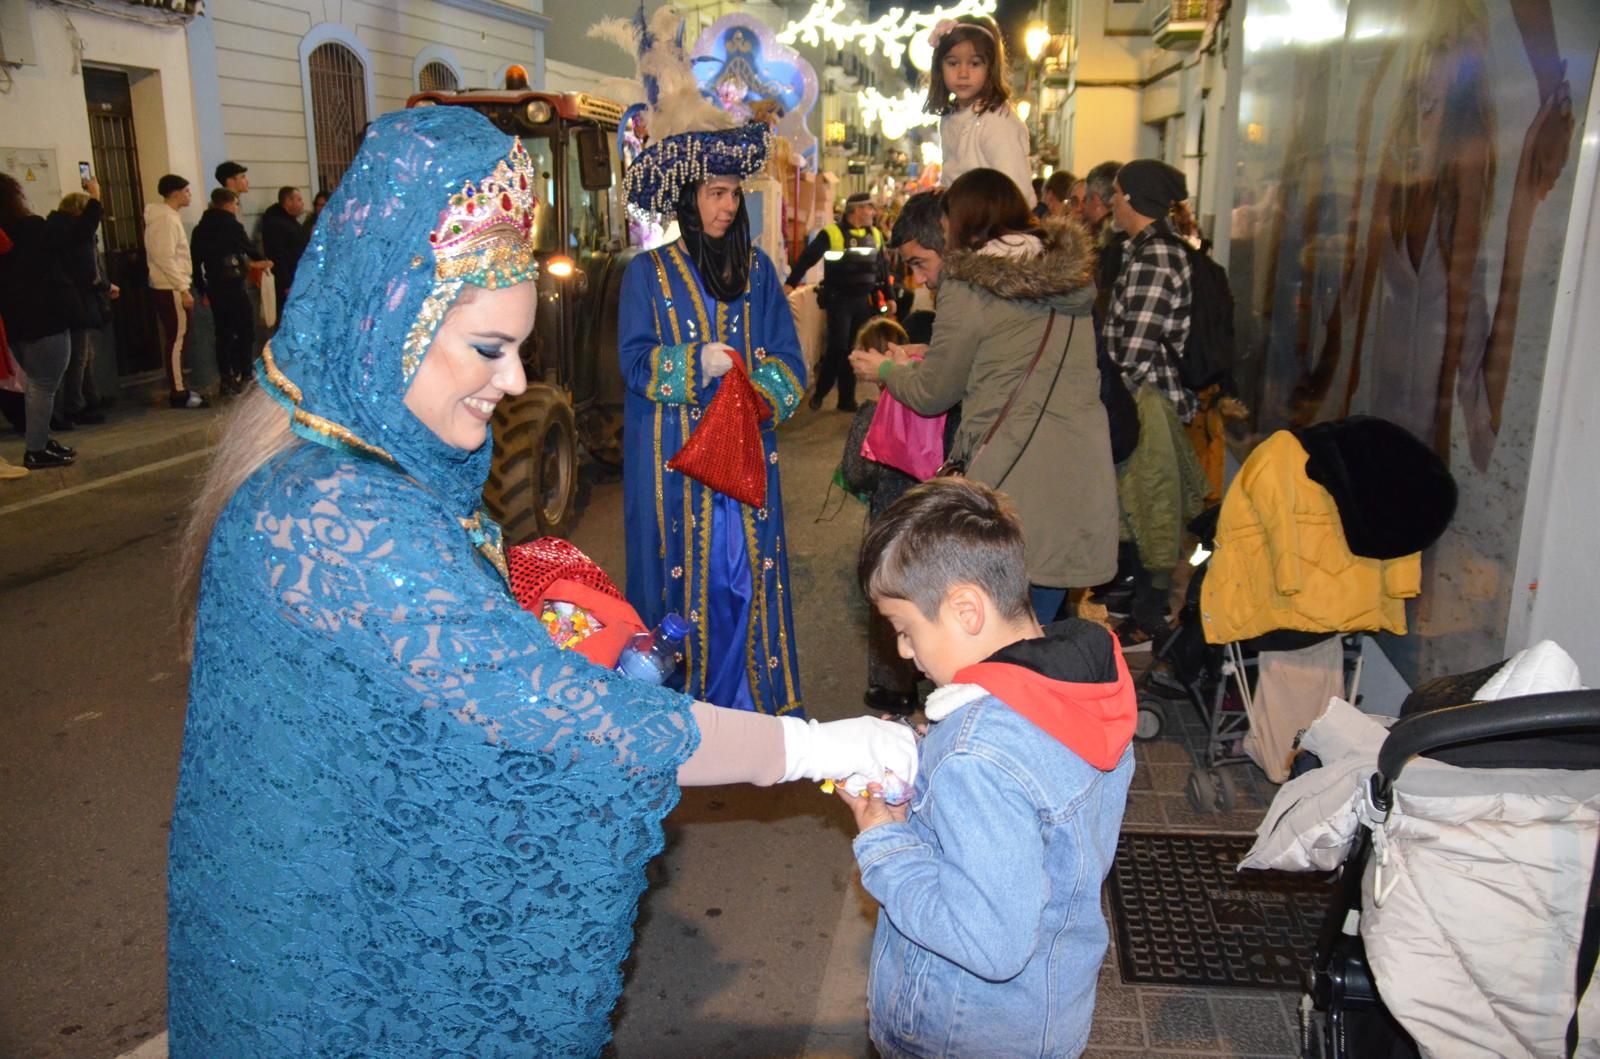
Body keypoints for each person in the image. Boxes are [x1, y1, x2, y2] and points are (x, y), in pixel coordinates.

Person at [165, 107, 916, 1058]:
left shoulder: (347, 470)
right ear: (390, 322)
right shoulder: (343, 516)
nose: (516, 382)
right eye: (489, 349)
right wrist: (819, 745)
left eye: (519, 348)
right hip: (334, 974)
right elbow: (568, 719)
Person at [840, 477, 1136, 1059]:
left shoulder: (977, 758)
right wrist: (932, 744)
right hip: (1043, 1014)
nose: (903, 652)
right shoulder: (1081, 683)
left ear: (966, 609)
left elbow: (988, 942)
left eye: (906, 631)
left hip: (963, 1032)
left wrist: (884, 841)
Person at [850, 168, 1118, 624]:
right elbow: (1016, 351)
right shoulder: (1064, 278)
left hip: (1014, 479)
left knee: (1001, 643)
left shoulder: (969, 282)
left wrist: (887, 368)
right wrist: (932, 351)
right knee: (1037, 636)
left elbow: (934, 392)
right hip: (1073, 477)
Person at [1102, 159, 1209, 648]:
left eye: (1117, 194)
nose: (1111, 203)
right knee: (1145, 508)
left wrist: (1110, 397)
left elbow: (1134, 348)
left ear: (1135, 201)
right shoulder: (1147, 251)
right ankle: (1142, 608)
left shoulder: (1155, 258)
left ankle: (1149, 618)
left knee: (1152, 511)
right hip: (1147, 399)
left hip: (1148, 402)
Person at [0, 172, 94, 469]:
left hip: (15, 321)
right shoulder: (31, 228)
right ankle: (36, 448)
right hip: (46, 319)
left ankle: (40, 439)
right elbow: (76, 236)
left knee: (35, 385)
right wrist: (95, 199)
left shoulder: (4, 235)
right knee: (43, 385)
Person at [785, 191, 887, 412]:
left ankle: (846, 400)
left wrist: (889, 297)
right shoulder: (832, 233)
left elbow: (881, 268)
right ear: (858, 210)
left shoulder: (875, 234)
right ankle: (821, 391)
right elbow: (807, 258)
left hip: (862, 301)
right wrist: (790, 284)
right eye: (869, 208)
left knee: (855, 350)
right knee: (838, 347)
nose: (873, 212)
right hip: (839, 300)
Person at [924, 15, 1035, 208]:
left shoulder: (997, 121)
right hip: (966, 228)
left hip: (999, 229)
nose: (963, 73)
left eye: (974, 63)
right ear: (939, 68)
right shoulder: (951, 118)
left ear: (990, 67)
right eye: (953, 63)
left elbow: (1017, 192)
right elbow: (954, 174)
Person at [191, 188, 269, 396]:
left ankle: (226, 377)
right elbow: (247, 247)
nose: (236, 208)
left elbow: (195, 262)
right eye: (235, 204)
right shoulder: (231, 225)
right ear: (227, 204)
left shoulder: (200, 229)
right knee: (244, 329)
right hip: (233, 284)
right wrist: (263, 259)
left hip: (214, 286)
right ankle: (245, 373)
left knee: (222, 333)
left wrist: (201, 289)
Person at [49, 190, 116, 426]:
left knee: (85, 354)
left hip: (76, 299)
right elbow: (88, 266)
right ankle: (75, 405)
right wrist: (96, 196)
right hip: (75, 301)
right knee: (78, 356)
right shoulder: (72, 233)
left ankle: (89, 398)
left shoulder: (60, 230)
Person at [145, 174, 206, 409]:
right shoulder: (165, 220)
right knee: (177, 338)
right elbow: (165, 257)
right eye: (187, 191)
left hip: (173, 285)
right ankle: (178, 390)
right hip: (170, 286)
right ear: (175, 193)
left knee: (180, 336)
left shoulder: (168, 217)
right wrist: (182, 288)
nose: (189, 195)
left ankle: (180, 386)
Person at [261, 185, 310, 303]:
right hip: (289, 281)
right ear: (288, 202)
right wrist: (287, 284)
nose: (302, 203)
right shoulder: (276, 224)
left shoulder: (289, 221)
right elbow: (278, 255)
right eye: (299, 200)